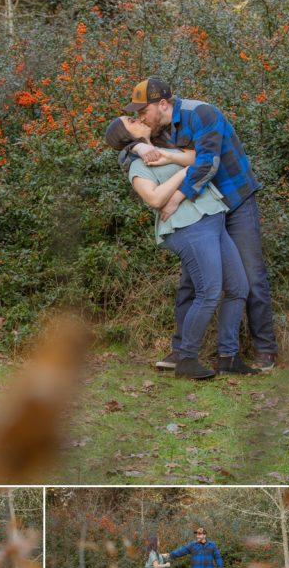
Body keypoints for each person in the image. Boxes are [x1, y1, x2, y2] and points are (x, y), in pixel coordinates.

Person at [121, 77, 279, 372]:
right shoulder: (159, 129)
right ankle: (182, 351)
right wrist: (138, 150)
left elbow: (208, 163)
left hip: (234, 200)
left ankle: (264, 349)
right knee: (191, 282)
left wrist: (175, 198)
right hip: (204, 211)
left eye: (143, 111)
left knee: (250, 275)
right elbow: (121, 141)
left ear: (163, 104)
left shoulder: (202, 113)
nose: (141, 117)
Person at [105, 114, 259, 379]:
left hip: (213, 216)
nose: (138, 117)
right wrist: (183, 175)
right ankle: (186, 359)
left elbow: (197, 157)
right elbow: (154, 199)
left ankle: (228, 356)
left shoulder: (165, 144)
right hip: (188, 227)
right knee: (209, 291)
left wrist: (176, 160)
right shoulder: (136, 165)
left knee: (238, 287)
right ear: (125, 135)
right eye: (131, 120)